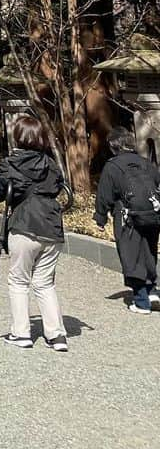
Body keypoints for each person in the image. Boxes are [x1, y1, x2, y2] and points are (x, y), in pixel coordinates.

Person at [0, 113, 71, 351]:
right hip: (51, 226)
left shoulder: (10, 163)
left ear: (17, 137)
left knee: (19, 280)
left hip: (24, 225)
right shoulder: (51, 164)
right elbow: (57, 188)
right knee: (45, 282)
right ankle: (56, 335)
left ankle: (21, 333)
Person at [94, 126, 160, 314]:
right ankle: (151, 289)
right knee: (149, 252)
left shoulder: (113, 166)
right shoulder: (145, 163)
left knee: (131, 256)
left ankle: (141, 301)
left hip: (127, 217)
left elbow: (104, 195)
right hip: (152, 215)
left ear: (113, 146)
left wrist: (100, 218)